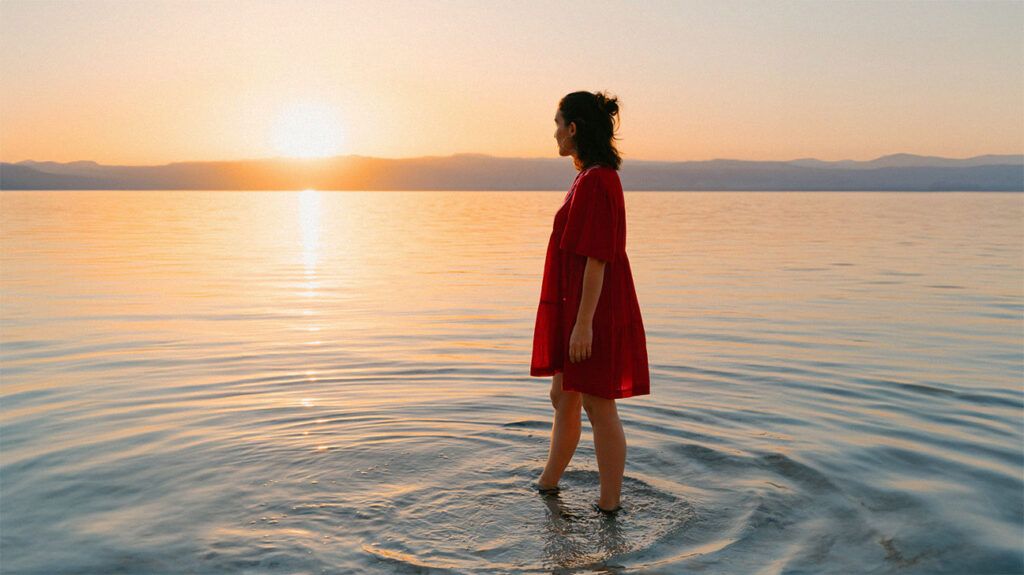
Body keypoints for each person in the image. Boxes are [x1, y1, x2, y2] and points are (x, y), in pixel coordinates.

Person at [529, 90, 651, 516]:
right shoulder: (587, 178)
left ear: (574, 129)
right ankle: (547, 483)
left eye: (558, 124)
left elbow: (598, 257)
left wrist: (584, 324)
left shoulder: (599, 181)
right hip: (577, 305)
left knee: (599, 402)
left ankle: (609, 506)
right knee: (563, 394)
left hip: (592, 309)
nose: (555, 133)